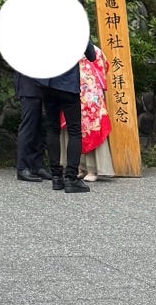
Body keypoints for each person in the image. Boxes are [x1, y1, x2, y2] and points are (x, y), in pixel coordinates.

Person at [39, 33, 97, 193]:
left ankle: (56, 177)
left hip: (47, 82)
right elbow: (91, 55)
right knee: (74, 131)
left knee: (52, 128)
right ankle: (71, 178)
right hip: (67, 83)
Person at [74, 46, 114, 181]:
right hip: (74, 92)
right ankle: (80, 166)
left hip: (90, 95)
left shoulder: (94, 49)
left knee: (91, 128)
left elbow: (103, 65)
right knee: (74, 130)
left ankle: (93, 168)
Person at [14, 70, 49, 182]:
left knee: (39, 127)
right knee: (28, 126)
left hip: (40, 86)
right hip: (28, 85)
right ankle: (22, 167)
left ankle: (36, 165)